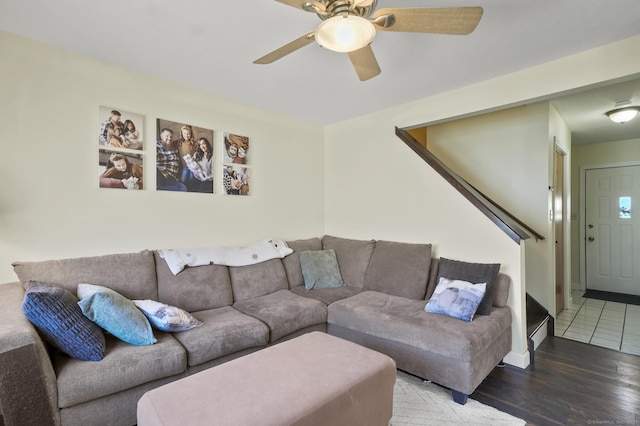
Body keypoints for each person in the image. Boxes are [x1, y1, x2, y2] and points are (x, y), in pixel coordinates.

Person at [176, 125, 198, 191]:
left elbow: (197, 154)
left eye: (188, 134)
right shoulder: (179, 143)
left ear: (191, 134)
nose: (186, 135)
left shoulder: (194, 143)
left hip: (193, 166)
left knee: (192, 179)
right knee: (183, 181)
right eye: (184, 133)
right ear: (182, 134)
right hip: (184, 166)